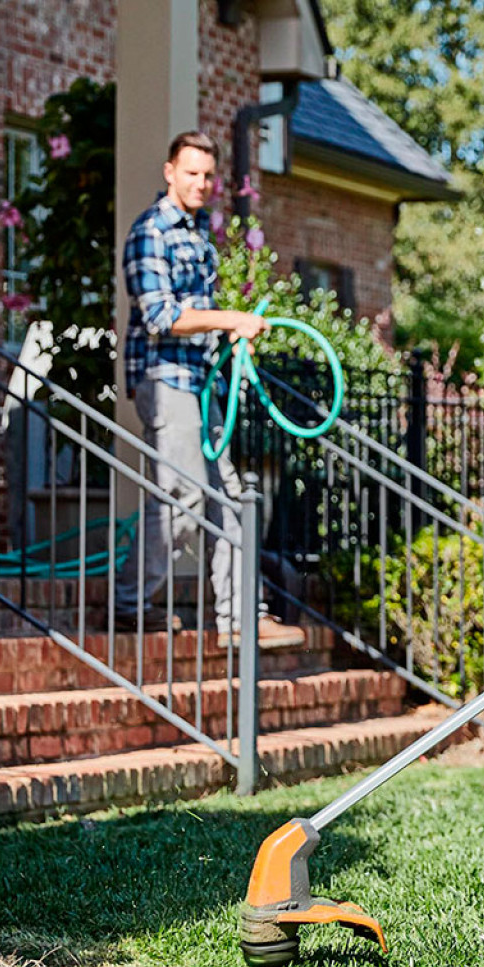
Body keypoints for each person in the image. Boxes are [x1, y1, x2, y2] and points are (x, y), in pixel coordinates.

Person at [114, 130, 305, 652]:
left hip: (200, 382)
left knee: (228, 495)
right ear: (169, 171)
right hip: (165, 378)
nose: (200, 183)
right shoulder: (151, 231)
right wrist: (229, 317)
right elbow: (160, 316)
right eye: (190, 172)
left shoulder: (198, 234)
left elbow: (199, 316)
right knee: (183, 493)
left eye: (206, 175)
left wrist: (229, 331)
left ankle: (242, 616)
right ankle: (129, 604)